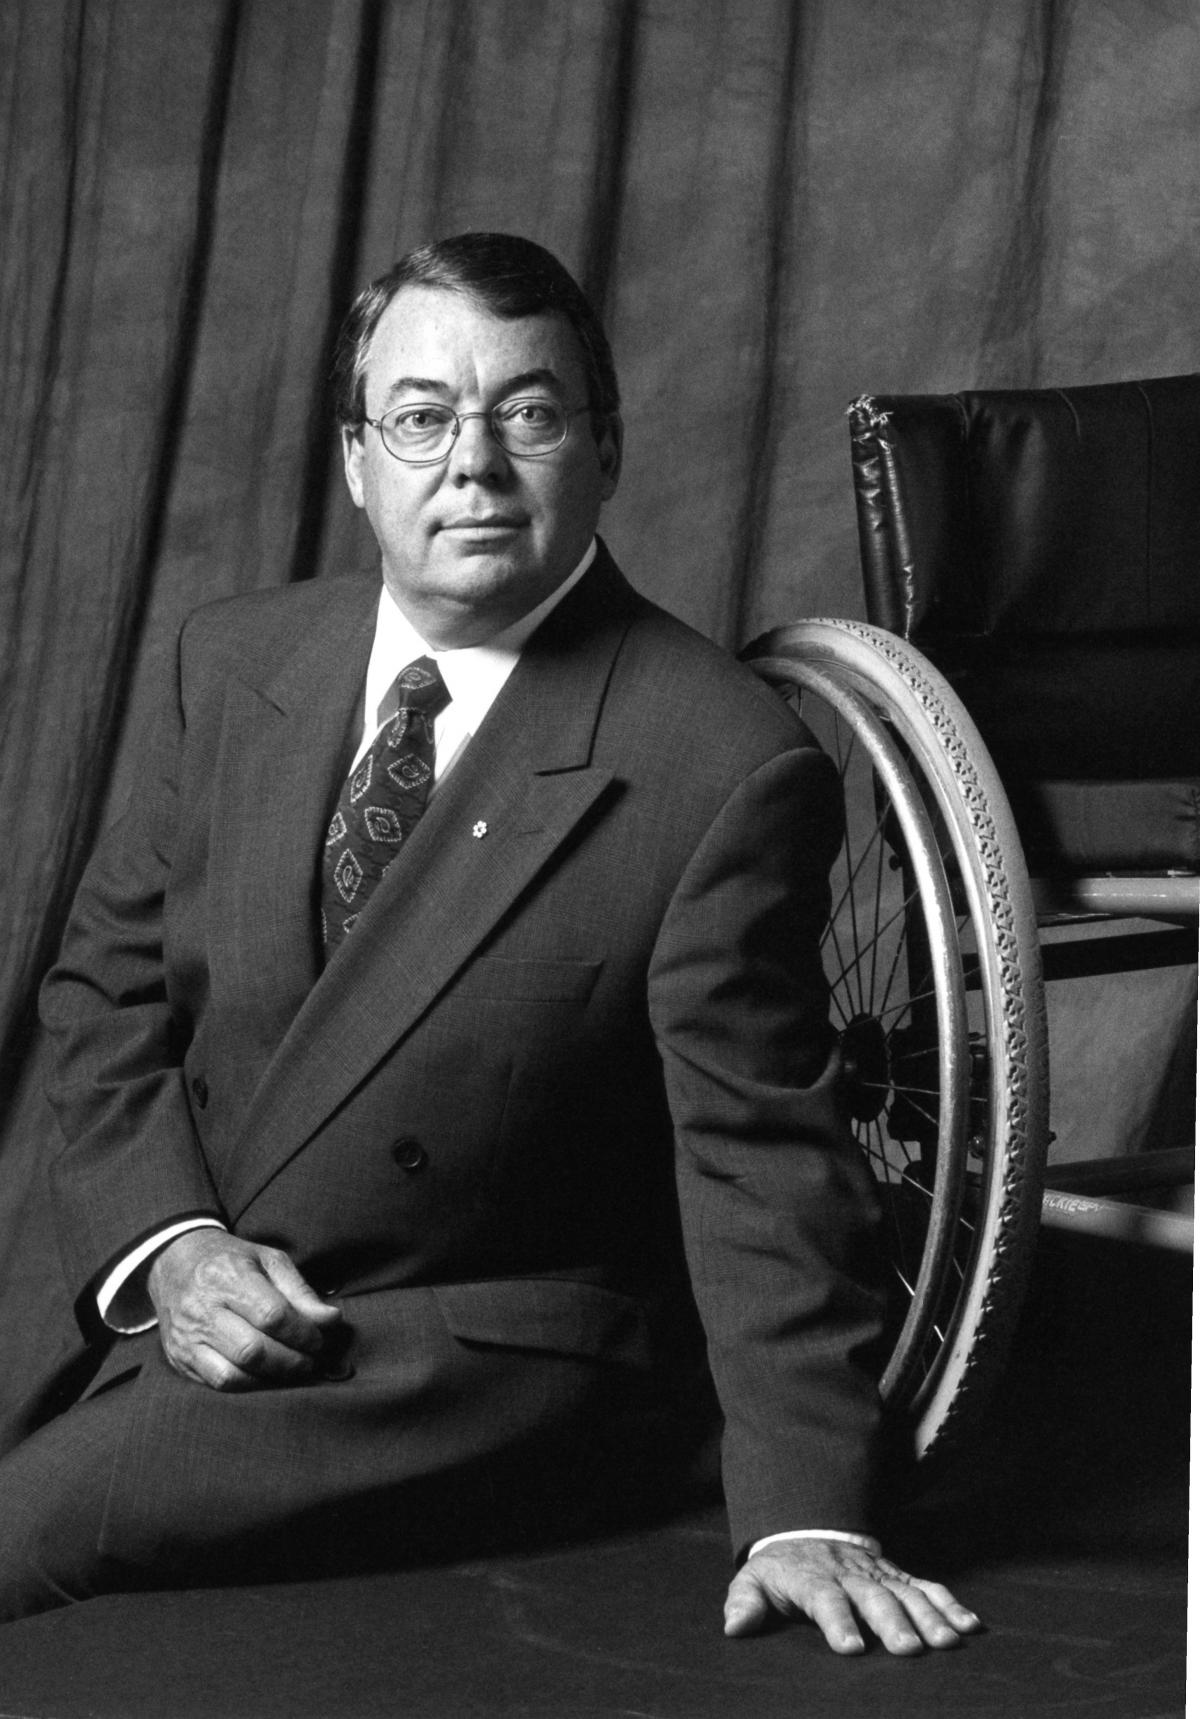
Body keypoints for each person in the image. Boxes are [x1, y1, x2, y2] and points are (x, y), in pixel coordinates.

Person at [0, 232, 979, 1655]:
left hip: (431, 1349)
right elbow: (102, 994)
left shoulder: (716, 760)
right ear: (357, 458)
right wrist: (171, 1247)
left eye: (527, 413)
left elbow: (755, 1158)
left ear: (604, 445)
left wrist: (803, 1507)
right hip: (165, 1263)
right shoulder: (233, 661)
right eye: (420, 418)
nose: (473, 464)